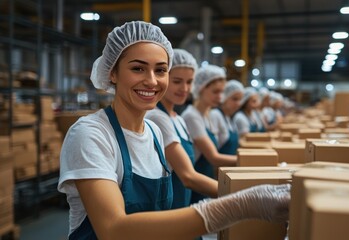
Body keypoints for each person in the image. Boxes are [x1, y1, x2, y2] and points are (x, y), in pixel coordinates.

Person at [57, 21, 290, 240]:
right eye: (138, 68)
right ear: (112, 73)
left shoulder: (155, 133)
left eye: (160, 70)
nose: (151, 81)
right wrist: (239, 205)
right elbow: (113, 229)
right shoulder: (91, 134)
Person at [146, 49, 217, 209]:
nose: (184, 88)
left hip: (184, 204)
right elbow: (188, 177)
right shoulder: (157, 117)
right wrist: (237, 192)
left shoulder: (179, 119)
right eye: (177, 81)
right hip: (170, 209)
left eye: (189, 82)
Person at [181, 64, 237, 203]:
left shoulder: (208, 115)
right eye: (215, 91)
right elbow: (213, 157)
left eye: (222, 92)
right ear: (201, 88)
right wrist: (250, 162)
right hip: (197, 182)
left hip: (207, 176)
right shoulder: (191, 116)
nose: (220, 97)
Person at [209, 79, 244, 155]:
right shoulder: (215, 115)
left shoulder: (229, 118)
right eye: (235, 99)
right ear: (224, 97)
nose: (238, 103)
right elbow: (213, 154)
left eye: (240, 100)